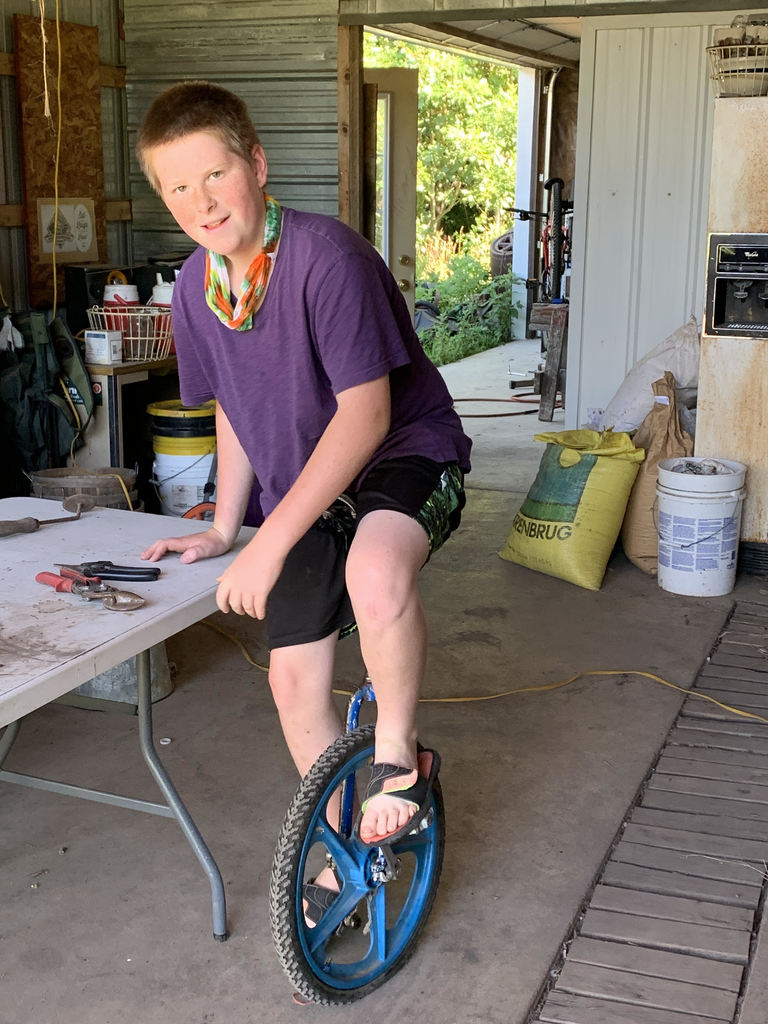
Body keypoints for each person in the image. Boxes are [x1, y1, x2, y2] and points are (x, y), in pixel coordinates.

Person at [136, 81, 471, 908]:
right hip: (309, 490)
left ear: (256, 162)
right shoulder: (194, 289)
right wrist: (224, 528)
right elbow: (237, 413)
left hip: (402, 452)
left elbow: (365, 418)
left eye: (214, 174)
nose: (200, 202)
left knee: (375, 571)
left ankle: (399, 755)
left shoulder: (328, 258)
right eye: (177, 187)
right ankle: (340, 840)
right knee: (292, 683)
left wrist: (272, 540)